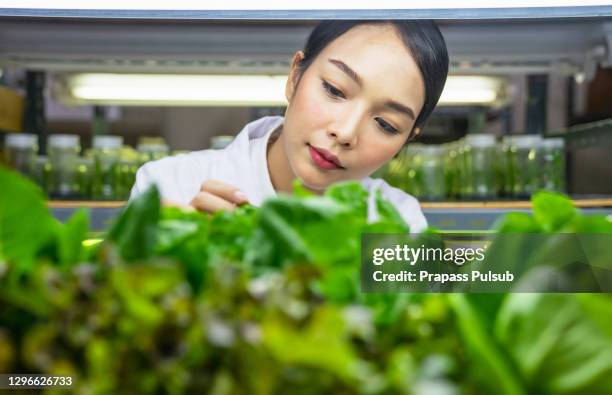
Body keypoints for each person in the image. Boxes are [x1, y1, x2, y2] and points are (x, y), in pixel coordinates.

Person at [130, 20, 449, 233]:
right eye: (335, 91)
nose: (346, 132)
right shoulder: (165, 183)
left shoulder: (402, 220)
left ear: (408, 138)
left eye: (386, 124)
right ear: (295, 76)